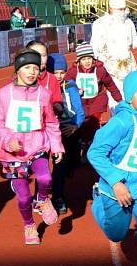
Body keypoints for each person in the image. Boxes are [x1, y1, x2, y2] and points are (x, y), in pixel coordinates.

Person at [88, 70, 137, 266]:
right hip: (118, 185)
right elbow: (95, 152)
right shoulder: (121, 122)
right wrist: (116, 182)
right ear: (130, 98)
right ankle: (98, 201)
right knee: (116, 233)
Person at [0, 49, 63, 245]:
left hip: (37, 146)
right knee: (23, 198)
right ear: (17, 70)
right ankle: (29, 225)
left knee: (45, 178)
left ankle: (42, 200)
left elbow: (51, 123)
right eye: (27, 67)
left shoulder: (44, 95)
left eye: (36, 68)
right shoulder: (4, 94)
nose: (32, 72)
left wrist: (56, 146)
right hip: (12, 153)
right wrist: (7, 140)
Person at [65, 42, 122, 152]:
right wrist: (75, 90)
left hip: (97, 100)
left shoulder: (100, 70)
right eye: (83, 59)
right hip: (81, 103)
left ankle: (94, 145)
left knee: (94, 122)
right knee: (83, 123)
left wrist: (119, 99)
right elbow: (66, 84)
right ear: (79, 61)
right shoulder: (73, 72)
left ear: (93, 59)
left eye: (89, 58)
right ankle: (85, 142)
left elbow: (110, 84)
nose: (87, 61)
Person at [48, 53, 85, 214]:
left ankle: (69, 168)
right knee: (59, 166)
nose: (59, 76)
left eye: (62, 72)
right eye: (55, 72)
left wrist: (75, 126)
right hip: (55, 132)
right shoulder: (45, 88)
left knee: (74, 162)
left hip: (72, 129)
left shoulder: (71, 87)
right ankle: (58, 197)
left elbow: (80, 111)